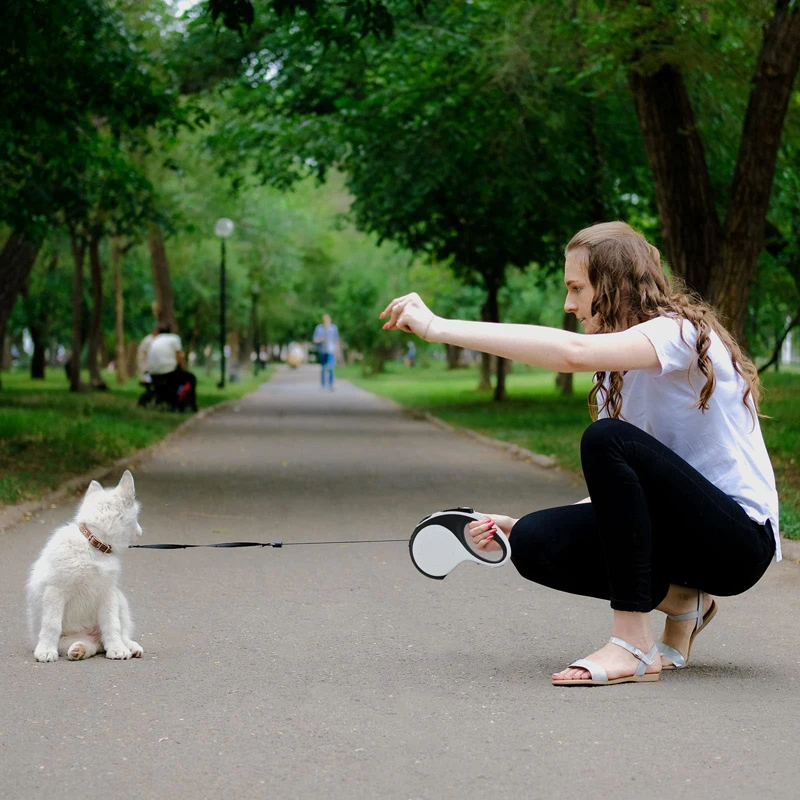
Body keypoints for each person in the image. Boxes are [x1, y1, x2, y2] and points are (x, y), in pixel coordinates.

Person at [380, 221, 779, 687]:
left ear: (616, 285)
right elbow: (627, 494)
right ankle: (685, 602)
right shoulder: (616, 375)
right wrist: (518, 522)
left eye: (576, 288)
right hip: (682, 538)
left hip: (738, 543)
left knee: (606, 438)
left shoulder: (679, 333)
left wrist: (437, 327)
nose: (569, 305)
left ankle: (632, 643)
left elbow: (571, 353)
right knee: (532, 542)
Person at [146, 324, 198, 412]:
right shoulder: (174, 338)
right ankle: (191, 405)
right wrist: (180, 366)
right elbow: (179, 356)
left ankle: (175, 400)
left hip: (153, 373)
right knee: (191, 378)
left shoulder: (154, 340)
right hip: (168, 372)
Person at [313, 314, 339, 390]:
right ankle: (323, 385)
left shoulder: (333, 328)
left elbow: (336, 340)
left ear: (330, 320)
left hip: (331, 350)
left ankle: (331, 385)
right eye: (324, 319)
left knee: (331, 368)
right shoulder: (319, 328)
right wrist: (321, 339)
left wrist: (337, 350)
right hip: (322, 350)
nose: (326, 321)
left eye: (327, 319)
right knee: (323, 368)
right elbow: (315, 339)